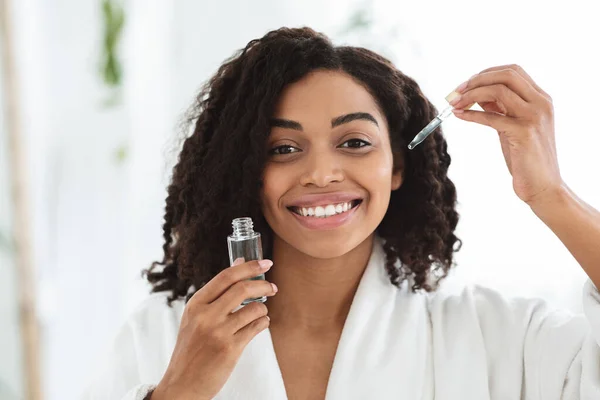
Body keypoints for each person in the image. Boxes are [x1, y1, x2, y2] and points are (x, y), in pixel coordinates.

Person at [82, 27, 600, 400]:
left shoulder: (493, 336)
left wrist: (552, 196)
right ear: (247, 173)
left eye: (354, 142)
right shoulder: (161, 338)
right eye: (283, 149)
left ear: (398, 165)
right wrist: (181, 392)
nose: (322, 173)